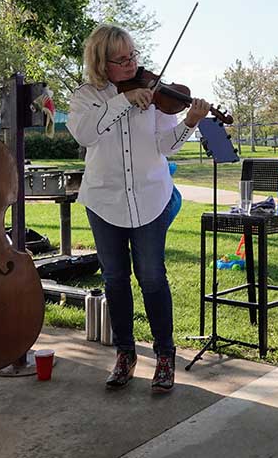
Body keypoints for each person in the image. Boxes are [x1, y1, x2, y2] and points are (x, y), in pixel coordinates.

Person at [67, 25, 210, 393]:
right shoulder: (86, 97)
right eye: (122, 59)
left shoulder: (156, 92)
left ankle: (165, 356)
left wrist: (189, 123)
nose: (133, 64)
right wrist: (124, 101)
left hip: (150, 196)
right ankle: (125, 354)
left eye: (134, 55)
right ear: (102, 63)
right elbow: (86, 135)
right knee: (114, 279)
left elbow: (167, 146)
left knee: (151, 276)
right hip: (104, 200)